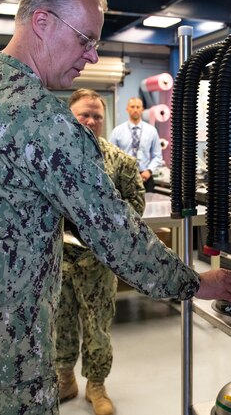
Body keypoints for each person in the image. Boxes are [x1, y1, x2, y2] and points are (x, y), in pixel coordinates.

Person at [0, 0, 231, 415]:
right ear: (42, 23)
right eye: (86, 40)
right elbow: (114, 233)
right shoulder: (40, 117)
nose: (92, 57)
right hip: (4, 351)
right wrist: (192, 282)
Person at [56, 89, 145, 415]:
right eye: (84, 114)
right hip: (58, 261)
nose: (91, 121)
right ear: (70, 116)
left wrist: (102, 229)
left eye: (97, 116)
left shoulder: (119, 162)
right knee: (59, 322)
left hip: (97, 261)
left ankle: (96, 385)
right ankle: (64, 378)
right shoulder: (51, 159)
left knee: (97, 327)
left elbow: (135, 208)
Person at [109, 97, 164, 192]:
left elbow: (158, 156)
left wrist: (149, 170)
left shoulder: (151, 131)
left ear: (142, 110)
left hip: (145, 177)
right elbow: (111, 156)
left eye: (138, 107)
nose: (135, 109)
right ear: (127, 109)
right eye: (132, 107)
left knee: (148, 206)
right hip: (124, 178)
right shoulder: (117, 131)